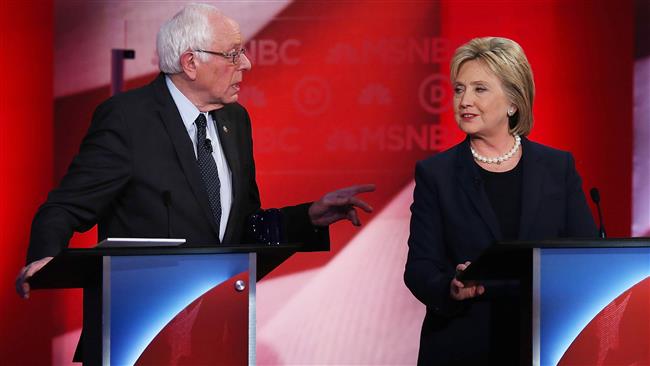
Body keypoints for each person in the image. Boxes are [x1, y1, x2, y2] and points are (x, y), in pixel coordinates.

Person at [16, 3, 374, 299]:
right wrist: (44, 256)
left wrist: (309, 216)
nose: (246, 64)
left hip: (217, 322)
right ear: (190, 63)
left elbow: (242, 227)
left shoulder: (235, 120)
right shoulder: (128, 119)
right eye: (233, 54)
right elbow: (65, 207)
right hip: (138, 324)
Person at [404, 37, 597, 365]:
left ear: (513, 102)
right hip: (463, 345)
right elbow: (419, 268)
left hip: (544, 342)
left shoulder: (556, 167)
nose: (464, 100)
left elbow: (585, 253)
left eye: (480, 89)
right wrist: (449, 287)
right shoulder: (436, 174)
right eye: (459, 89)